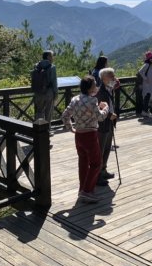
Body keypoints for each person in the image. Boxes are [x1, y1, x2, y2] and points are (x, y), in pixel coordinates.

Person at [61, 75, 109, 203]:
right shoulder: (92, 101)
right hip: (90, 135)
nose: (96, 86)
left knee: (83, 163)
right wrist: (105, 108)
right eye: (94, 84)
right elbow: (100, 117)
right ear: (89, 87)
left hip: (79, 135)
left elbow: (65, 115)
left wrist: (70, 127)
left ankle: (82, 189)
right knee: (96, 163)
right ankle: (87, 191)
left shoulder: (75, 99)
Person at [95, 67, 118, 185]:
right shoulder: (101, 91)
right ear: (104, 78)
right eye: (111, 76)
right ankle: (97, 175)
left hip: (109, 123)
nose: (114, 78)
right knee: (101, 149)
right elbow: (99, 106)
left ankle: (103, 170)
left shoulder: (109, 89)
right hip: (103, 124)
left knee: (107, 148)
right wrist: (110, 115)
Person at [33, 50, 58, 122]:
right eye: (52, 56)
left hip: (38, 92)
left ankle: (38, 129)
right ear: (48, 57)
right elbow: (54, 82)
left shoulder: (36, 65)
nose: (53, 58)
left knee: (39, 112)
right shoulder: (52, 67)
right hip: (48, 93)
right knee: (48, 113)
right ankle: (47, 130)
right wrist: (56, 94)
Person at [137, 51, 152, 117]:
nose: (151, 59)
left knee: (148, 97)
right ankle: (144, 111)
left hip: (150, 84)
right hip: (147, 84)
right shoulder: (147, 64)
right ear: (148, 59)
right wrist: (145, 78)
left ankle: (145, 111)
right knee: (146, 97)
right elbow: (140, 71)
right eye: (150, 58)